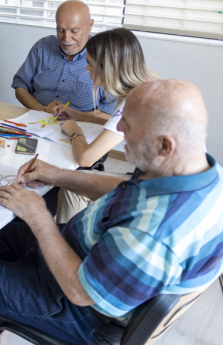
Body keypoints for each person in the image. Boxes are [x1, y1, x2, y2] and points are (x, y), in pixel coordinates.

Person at [0, 80, 223, 345]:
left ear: (164, 145)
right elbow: (130, 190)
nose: (119, 130)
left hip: (83, 311)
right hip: (87, 258)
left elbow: (81, 292)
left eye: (128, 126)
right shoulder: (214, 177)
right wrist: (59, 175)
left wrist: (38, 215)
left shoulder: (155, 233)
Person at [51, 28, 159, 222]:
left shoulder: (135, 101)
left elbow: (85, 159)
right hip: (170, 182)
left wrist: (75, 131)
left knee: (73, 184)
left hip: (157, 193)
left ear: (108, 67)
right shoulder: (150, 84)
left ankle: (67, 237)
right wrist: (80, 115)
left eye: (90, 63)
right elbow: (122, 126)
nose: (87, 69)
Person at [12, 0, 115, 116]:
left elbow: (110, 109)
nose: (66, 38)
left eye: (74, 31)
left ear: (90, 25)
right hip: (37, 118)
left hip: (81, 124)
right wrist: (43, 110)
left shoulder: (104, 55)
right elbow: (20, 86)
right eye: (61, 30)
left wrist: (77, 117)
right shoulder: (42, 47)